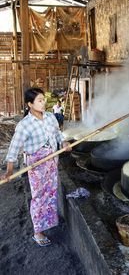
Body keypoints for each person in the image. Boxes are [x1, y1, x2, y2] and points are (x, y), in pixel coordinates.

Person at [4, 88, 71, 247]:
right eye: (40, 100)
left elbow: (57, 134)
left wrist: (64, 142)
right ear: (30, 104)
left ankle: (48, 220)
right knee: (40, 196)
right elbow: (14, 148)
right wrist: (9, 170)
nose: (44, 102)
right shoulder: (25, 125)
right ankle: (38, 232)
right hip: (37, 166)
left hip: (52, 161)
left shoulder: (50, 117)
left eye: (43, 99)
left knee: (51, 191)